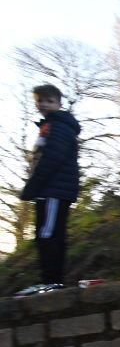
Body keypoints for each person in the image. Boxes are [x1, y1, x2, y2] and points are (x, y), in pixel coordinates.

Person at [15, 84, 80, 297]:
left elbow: (52, 158)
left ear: (59, 104)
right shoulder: (49, 126)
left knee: (47, 234)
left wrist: (32, 187)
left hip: (54, 189)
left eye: (49, 100)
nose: (43, 104)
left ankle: (51, 281)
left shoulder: (59, 126)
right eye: (40, 100)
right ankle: (51, 281)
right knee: (48, 233)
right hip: (51, 188)